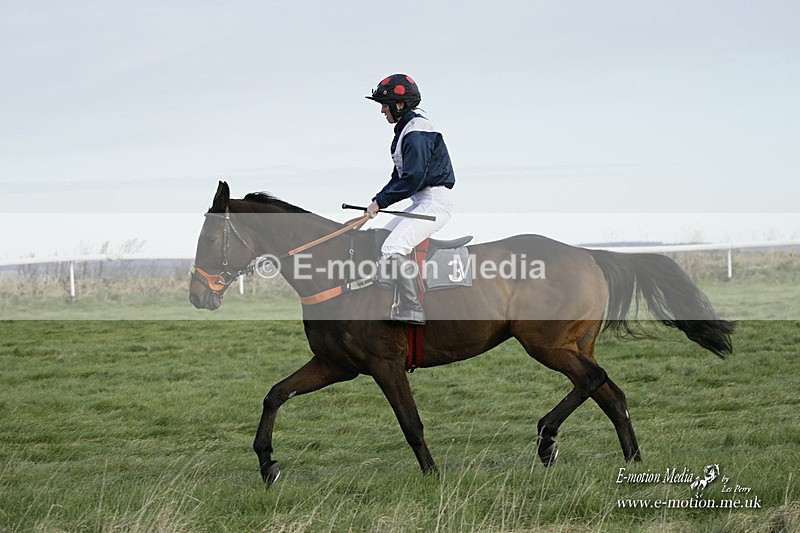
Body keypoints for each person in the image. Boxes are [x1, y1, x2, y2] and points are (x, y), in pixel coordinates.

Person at [365, 74, 456, 325]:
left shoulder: (416, 131)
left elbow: (413, 178)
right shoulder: (405, 130)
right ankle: (388, 300)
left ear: (400, 105)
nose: (383, 110)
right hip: (421, 202)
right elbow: (399, 177)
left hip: (434, 203)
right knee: (382, 238)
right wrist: (376, 201)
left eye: (386, 104)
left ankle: (412, 307)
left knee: (393, 248)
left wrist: (381, 203)